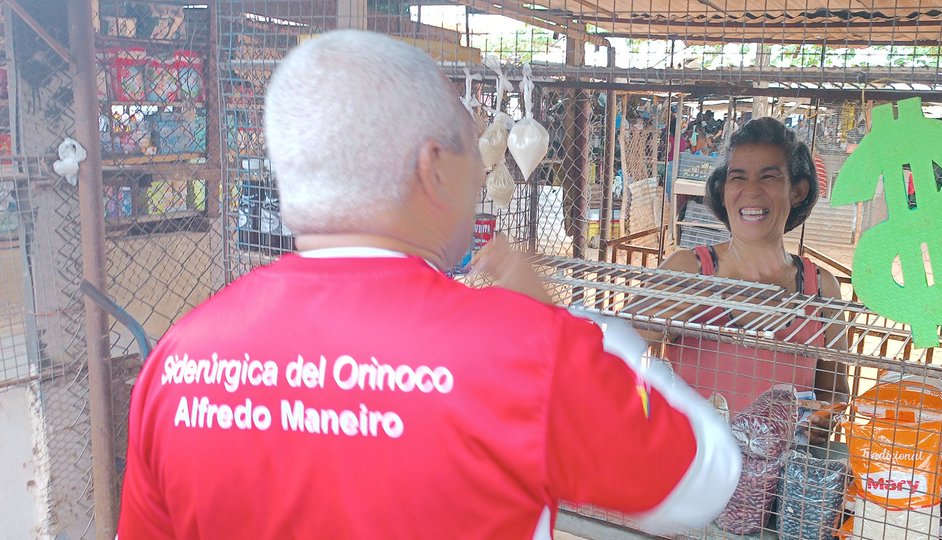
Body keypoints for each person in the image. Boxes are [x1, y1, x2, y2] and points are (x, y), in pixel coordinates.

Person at [117, 30, 739, 539]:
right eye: (473, 151)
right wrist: (581, 327)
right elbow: (703, 480)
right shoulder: (529, 353)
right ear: (435, 169)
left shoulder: (177, 361)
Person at [632, 117, 849, 432]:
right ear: (723, 190)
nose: (751, 191)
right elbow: (615, 357)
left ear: (798, 191)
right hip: (692, 468)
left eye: (769, 177)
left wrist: (820, 421)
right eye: (738, 177)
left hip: (779, 475)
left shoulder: (820, 288)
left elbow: (836, 392)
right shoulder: (688, 270)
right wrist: (648, 325)